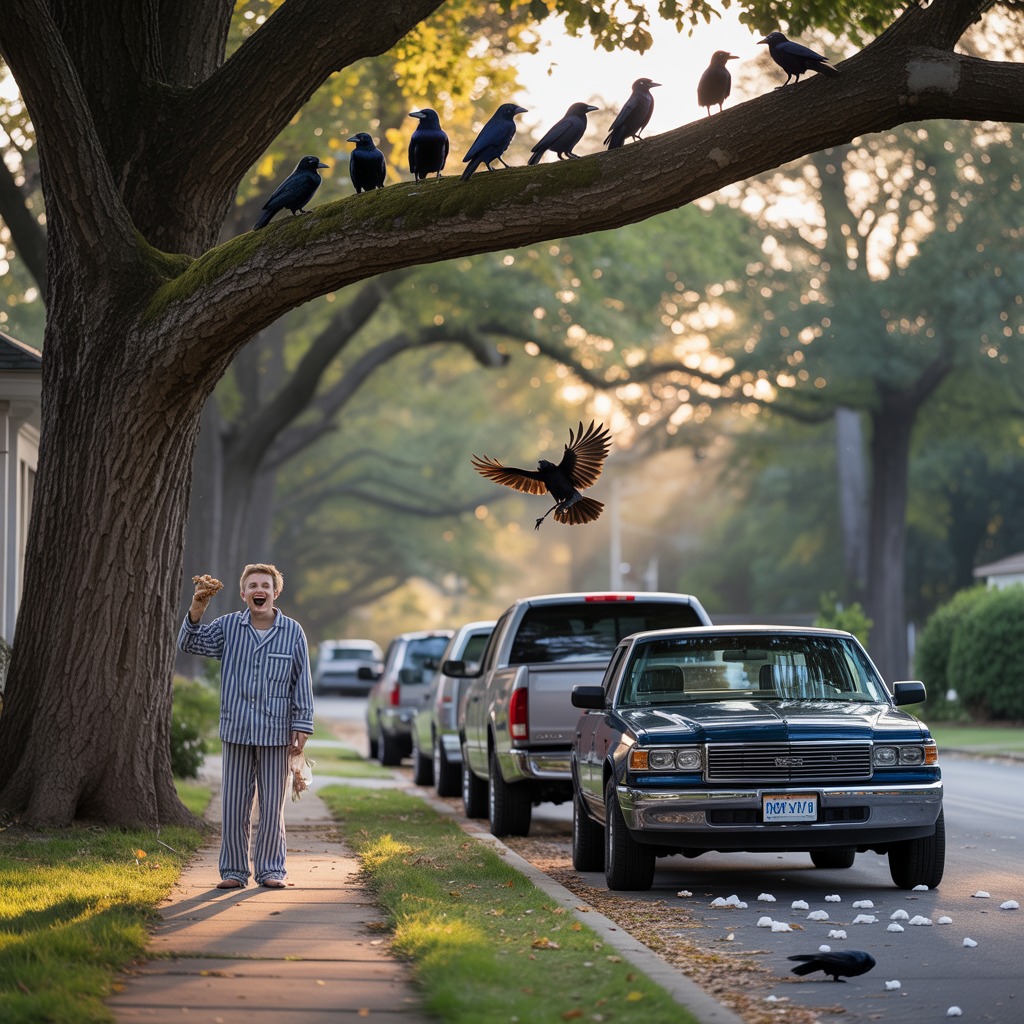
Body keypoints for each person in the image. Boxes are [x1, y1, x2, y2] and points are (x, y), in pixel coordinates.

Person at [178, 563, 314, 889]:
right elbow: (189, 643)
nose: (259, 590)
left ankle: (270, 870)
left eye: (265, 585)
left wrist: (302, 725)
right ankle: (233, 872)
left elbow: (301, 682)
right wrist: (198, 607)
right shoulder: (228, 628)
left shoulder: (293, 632)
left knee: (271, 809)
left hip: (275, 733)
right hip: (237, 730)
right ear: (243, 593)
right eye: (253, 585)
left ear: (275, 593)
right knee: (234, 805)